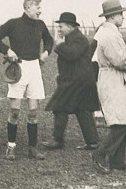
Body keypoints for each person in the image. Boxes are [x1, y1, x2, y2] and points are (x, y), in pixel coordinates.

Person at [0, 0, 54, 161]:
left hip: (34, 68)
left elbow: (49, 40)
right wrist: (7, 50)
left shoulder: (40, 25)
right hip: (18, 68)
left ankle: (32, 148)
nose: (40, 10)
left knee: (33, 111)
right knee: (15, 111)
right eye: (37, 7)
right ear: (27, 7)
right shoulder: (14, 23)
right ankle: (11, 147)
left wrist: (47, 51)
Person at [90, 0, 126, 173]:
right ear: (112, 16)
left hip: (115, 78)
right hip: (113, 79)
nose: (123, 17)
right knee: (121, 122)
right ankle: (100, 153)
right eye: (120, 14)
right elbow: (119, 60)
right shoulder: (109, 34)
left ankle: (118, 161)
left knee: (123, 120)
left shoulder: (110, 32)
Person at [42, 12, 100, 151]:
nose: (59, 29)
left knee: (59, 107)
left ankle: (57, 140)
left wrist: (60, 45)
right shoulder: (73, 38)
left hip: (76, 81)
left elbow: (71, 54)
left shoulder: (79, 39)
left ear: (69, 26)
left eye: (61, 26)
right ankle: (92, 142)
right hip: (80, 80)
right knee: (83, 110)